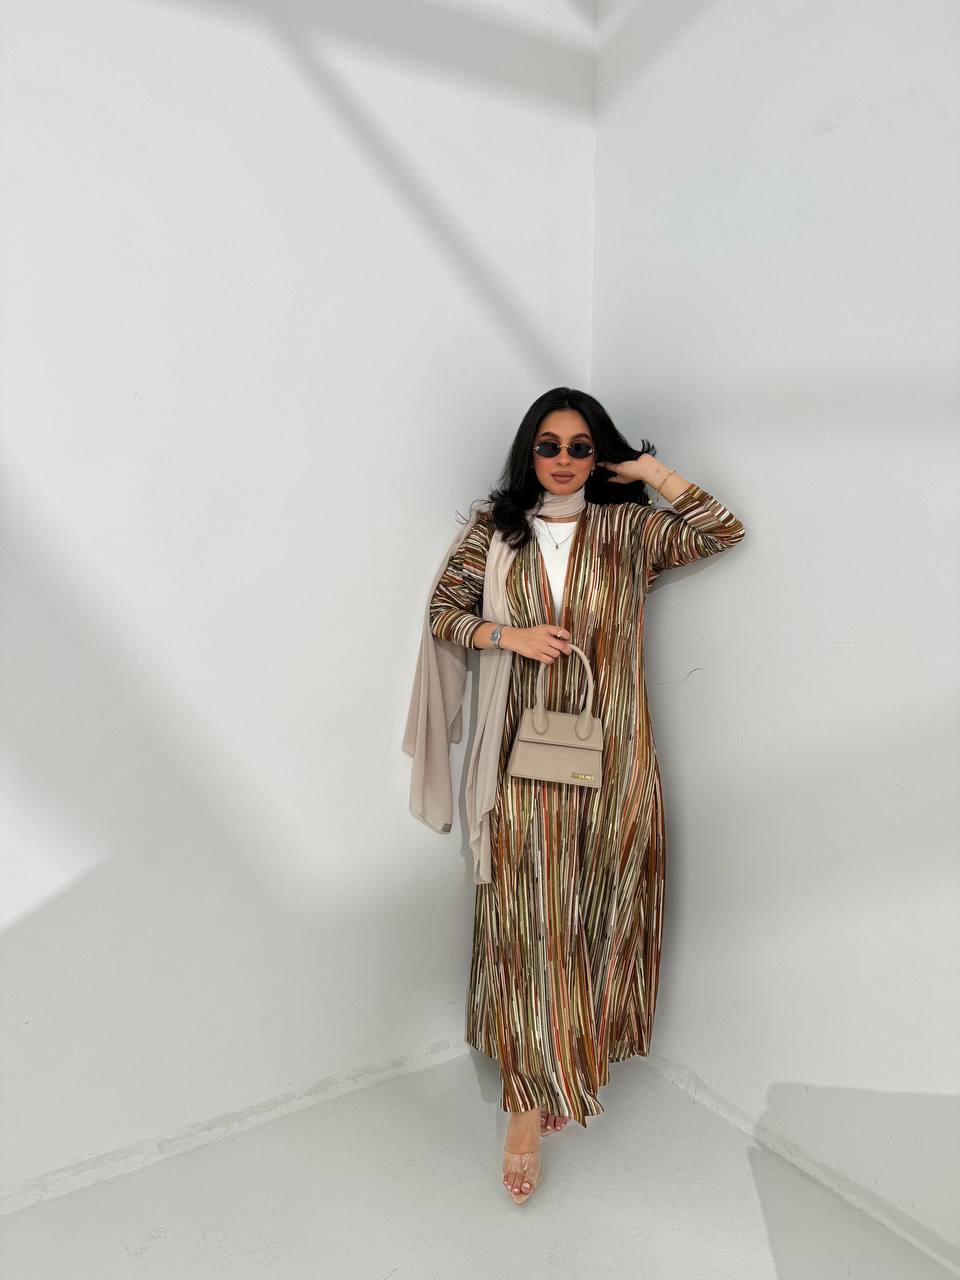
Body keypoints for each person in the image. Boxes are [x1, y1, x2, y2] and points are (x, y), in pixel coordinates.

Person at [410, 386, 746, 1204]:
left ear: (601, 456)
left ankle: (569, 1061)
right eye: (549, 446)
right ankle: (526, 1102)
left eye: (581, 447)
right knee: (531, 919)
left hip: (618, 752)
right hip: (525, 752)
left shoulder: (628, 531)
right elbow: (446, 613)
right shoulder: (496, 533)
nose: (563, 460)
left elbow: (722, 529)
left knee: (599, 906)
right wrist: (509, 635)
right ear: (528, 453)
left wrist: (647, 471)